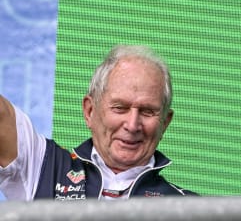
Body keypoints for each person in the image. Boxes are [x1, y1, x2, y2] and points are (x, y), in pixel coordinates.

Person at [0, 44, 197, 200]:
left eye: (147, 112)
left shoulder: (191, 210)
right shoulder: (43, 166)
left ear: (165, 122)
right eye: (120, 108)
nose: (132, 125)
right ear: (90, 111)